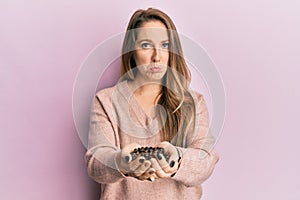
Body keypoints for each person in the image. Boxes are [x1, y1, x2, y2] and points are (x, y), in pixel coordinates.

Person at [85, 8, 219, 200]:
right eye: (146, 45)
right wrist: (120, 161)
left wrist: (177, 159)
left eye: (165, 45)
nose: (157, 56)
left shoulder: (192, 102)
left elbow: (205, 161)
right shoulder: (106, 101)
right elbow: (95, 164)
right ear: (132, 51)